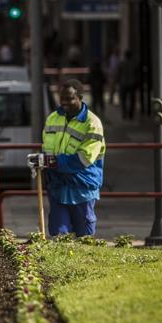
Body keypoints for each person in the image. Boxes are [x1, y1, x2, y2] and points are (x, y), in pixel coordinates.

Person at [33, 79, 105, 237]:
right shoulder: (52, 118)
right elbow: (46, 149)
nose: (64, 103)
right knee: (59, 235)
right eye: (62, 98)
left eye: (69, 98)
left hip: (82, 187)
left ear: (80, 97)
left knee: (84, 237)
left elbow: (84, 158)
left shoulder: (92, 123)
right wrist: (41, 162)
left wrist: (53, 162)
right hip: (58, 186)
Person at [117, 50, 138, 120]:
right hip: (132, 83)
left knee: (123, 100)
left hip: (123, 83)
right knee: (132, 100)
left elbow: (118, 74)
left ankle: (124, 114)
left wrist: (118, 82)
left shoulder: (122, 63)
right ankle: (130, 114)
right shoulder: (134, 64)